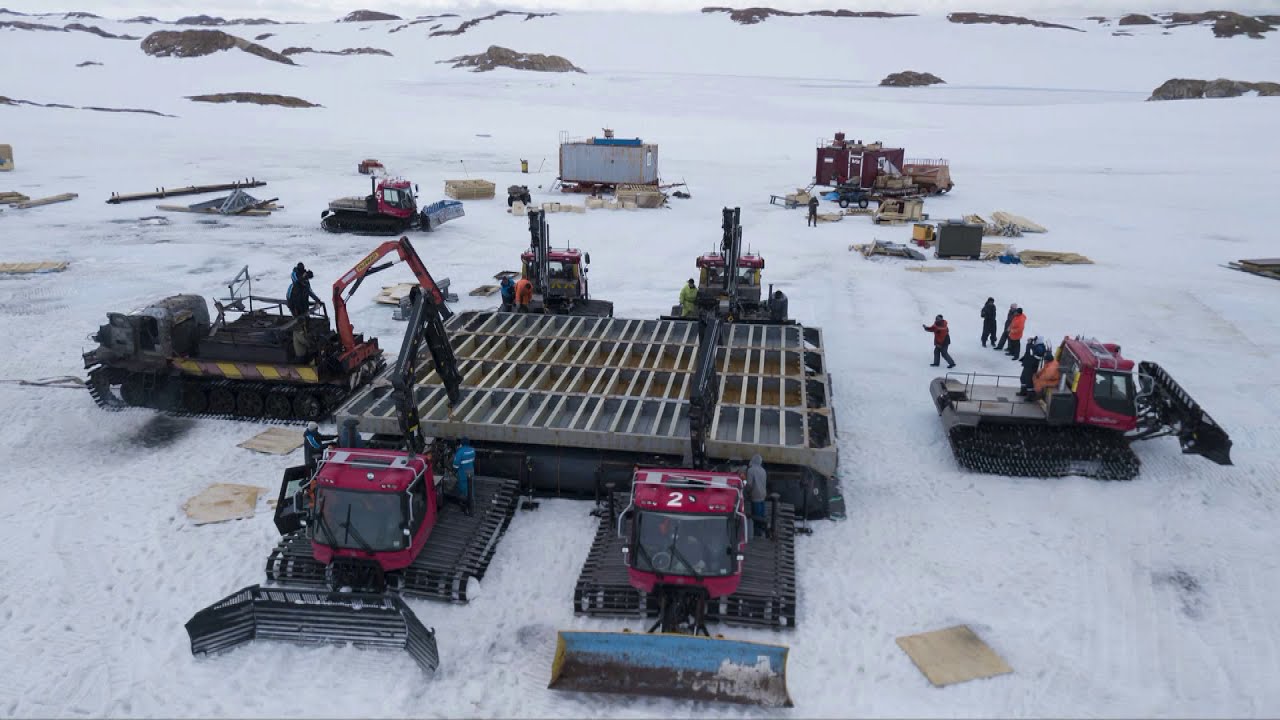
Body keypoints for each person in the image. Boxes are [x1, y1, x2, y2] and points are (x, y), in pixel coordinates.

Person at [452, 437, 476, 514]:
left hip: (462, 473)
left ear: (461, 444)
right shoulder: (472, 450)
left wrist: (454, 471)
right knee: (470, 487)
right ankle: (472, 502)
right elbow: (472, 460)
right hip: (471, 471)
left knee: (463, 488)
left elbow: (455, 465)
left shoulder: (460, 452)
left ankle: (467, 507)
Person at [746, 454, 768, 537]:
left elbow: (749, 485)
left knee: (756, 515)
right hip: (763, 494)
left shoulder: (751, 470)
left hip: (756, 495)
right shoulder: (763, 470)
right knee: (761, 513)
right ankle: (762, 529)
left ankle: (757, 533)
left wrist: (746, 492)